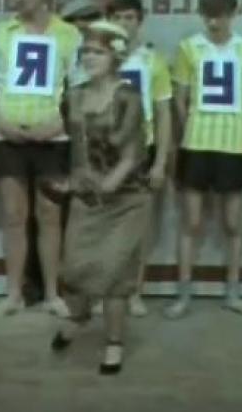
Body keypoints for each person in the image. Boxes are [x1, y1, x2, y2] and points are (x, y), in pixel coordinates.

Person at [0, 0, 81, 318]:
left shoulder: (69, 35)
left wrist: (56, 126)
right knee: (13, 216)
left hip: (54, 138)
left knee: (50, 215)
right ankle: (13, 295)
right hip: (8, 138)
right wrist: (3, 125)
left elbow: (80, 92)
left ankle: (52, 294)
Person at [50, 20, 150, 375]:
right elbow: (75, 147)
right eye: (86, 52)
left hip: (125, 201)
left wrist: (105, 187)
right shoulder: (73, 96)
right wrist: (73, 183)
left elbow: (132, 156)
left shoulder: (128, 97)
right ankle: (78, 317)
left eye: (98, 52)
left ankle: (114, 344)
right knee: (76, 270)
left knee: (114, 277)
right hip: (86, 200)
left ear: (115, 57)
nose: (89, 57)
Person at [164, 0, 242, 319]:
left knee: (234, 222)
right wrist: (190, 126)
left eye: (219, 16)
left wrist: (240, 126)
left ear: (233, 14)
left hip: (232, 146)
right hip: (196, 144)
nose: (213, 22)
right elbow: (180, 98)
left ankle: (233, 293)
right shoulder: (188, 48)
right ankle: (183, 295)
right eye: (208, 15)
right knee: (191, 221)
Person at [106, 0, 172, 316]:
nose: (123, 23)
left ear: (139, 21)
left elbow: (163, 114)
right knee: (104, 226)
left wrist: (160, 161)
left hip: (140, 150)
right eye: (117, 18)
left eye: (129, 17)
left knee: (139, 226)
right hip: (104, 152)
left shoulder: (152, 61)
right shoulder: (95, 58)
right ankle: (105, 290)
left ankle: (134, 291)